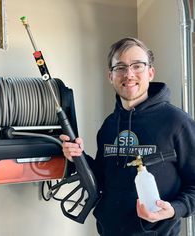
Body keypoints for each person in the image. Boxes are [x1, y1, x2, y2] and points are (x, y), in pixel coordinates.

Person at [60, 37, 195, 236]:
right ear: (110, 76)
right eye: (120, 67)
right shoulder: (109, 125)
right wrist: (77, 156)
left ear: (150, 72)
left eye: (137, 66)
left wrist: (174, 209)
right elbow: (102, 177)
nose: (129, 74)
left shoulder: (177, 122)